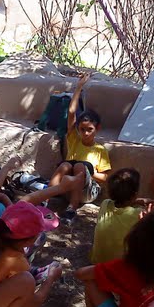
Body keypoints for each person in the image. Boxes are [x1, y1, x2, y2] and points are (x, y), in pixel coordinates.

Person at [48, 73, 111, 224]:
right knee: (65, 165)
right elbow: (71, 112)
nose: (85, 133)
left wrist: (90, 172)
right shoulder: (74, 139)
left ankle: (71, 210)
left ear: (97, 129)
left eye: (89, 129)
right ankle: (45, 200)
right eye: (82, 129)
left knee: (80, 166)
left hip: (88, 191)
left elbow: (106, 177)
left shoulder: (100, 150)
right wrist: (79, 87)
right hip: (67, 187)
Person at [91, 168, 154, 264]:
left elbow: (119, 201)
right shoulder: (138, 215)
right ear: (134, 194)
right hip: (119, 267)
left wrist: (136, 200)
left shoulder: (105, 204)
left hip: (98, 262)